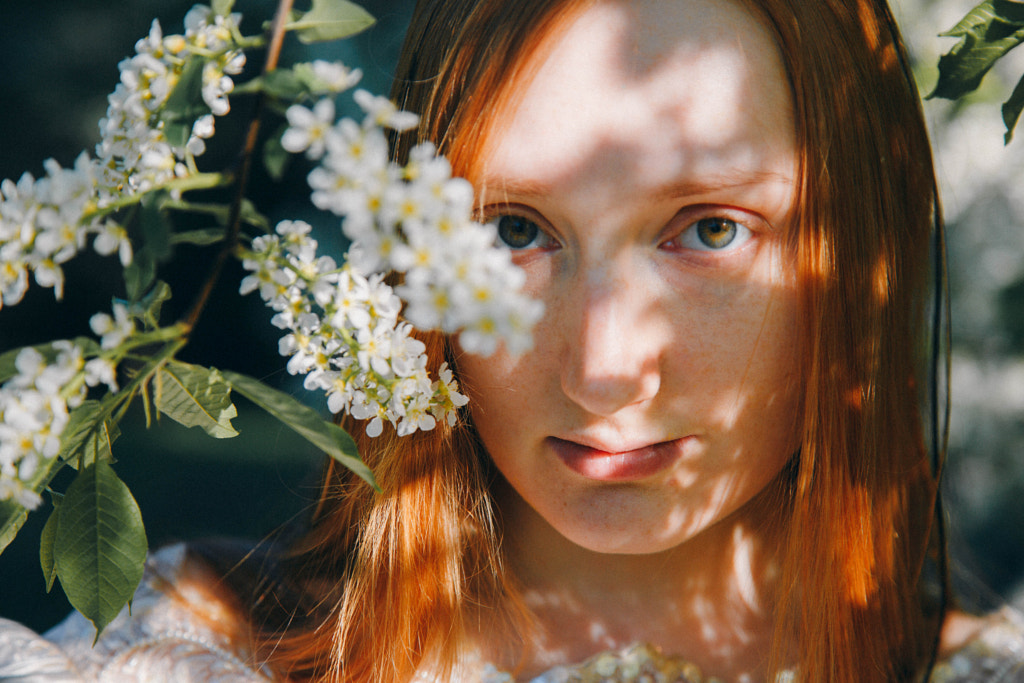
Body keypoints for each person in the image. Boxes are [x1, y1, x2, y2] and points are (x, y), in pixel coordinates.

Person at [3, 0, 1024, 681]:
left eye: (710, 227)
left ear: (865, 253)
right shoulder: (208, 644)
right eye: (513, 230)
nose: (603, 365)